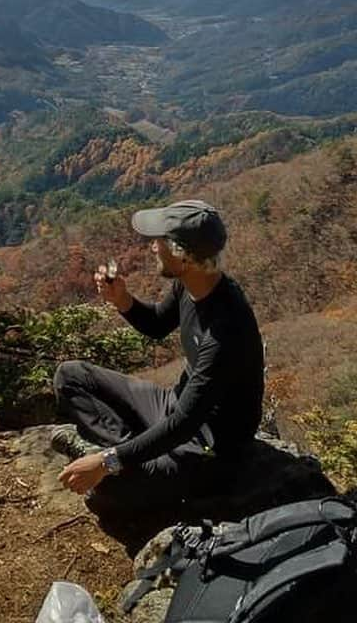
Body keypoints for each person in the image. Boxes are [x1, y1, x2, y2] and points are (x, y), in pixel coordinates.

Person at [52, 200, 264, 513]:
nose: (153, 247)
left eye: (160, 241)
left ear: (184, 256)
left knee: (107, 489)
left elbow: (184, 425)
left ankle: (123, 458)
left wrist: (106, 463)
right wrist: (123, 300)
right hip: (172, 407)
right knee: (70, 376)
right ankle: (128, 451)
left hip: (205, 449)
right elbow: (156, 325)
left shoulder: (225, 330)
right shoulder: (190, 284)